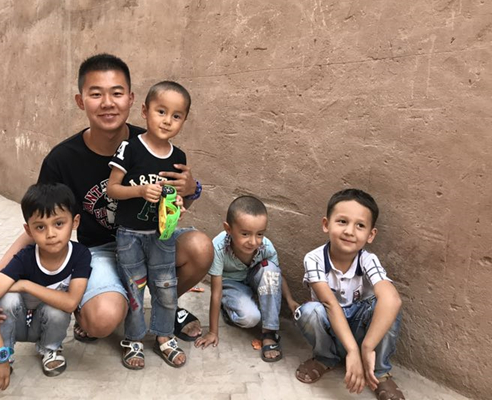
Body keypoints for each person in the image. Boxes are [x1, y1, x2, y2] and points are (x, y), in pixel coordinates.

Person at [0, 54, 212, 347]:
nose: (108, 103)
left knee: (200, 248)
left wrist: (190, 190)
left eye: (117, 93)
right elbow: (39, 224)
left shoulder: (154, 144)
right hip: (98, 251)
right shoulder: (62, 160)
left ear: (132, 99)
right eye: (96, 94)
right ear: (80, 100)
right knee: (103, 319)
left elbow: (174, 209)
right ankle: (91, 307)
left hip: (149, 240)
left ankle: (167, 307)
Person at [0, 183, 91, 399]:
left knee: (59, 307)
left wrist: (25, 285)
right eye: (40, 227)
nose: (51, 234)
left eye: (59, 223)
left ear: (75, 222)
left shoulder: (80, 255)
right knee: (7, 298)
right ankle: (3, 359)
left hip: (45, 324)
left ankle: (49, 349)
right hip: (15, 324)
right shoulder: (25, 257)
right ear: (28, 230)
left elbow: (72, 303)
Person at [106, 81, 191, 369]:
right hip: (129, 235)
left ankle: (165, 336)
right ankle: (134, 339)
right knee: (135, 289)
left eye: (176, 116)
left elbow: (177, 197)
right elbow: (112, 189)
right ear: (144, 111)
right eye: (161, 111)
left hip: (162, 235)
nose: (167, 120)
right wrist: (140, 191)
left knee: (166, 286)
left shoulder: (179, 158)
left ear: (184, 120)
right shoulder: (130, 148)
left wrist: (178, 203)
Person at [294, 189, 405, 400]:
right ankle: (325, 358)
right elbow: (329, 304)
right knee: (309, 311)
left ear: (371, 235)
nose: (350, 231)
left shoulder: (368, 260)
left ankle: (379, 373)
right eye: (342, 221)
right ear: (326, 224)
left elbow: (392, 299)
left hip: (359, 328)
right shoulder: (314, 259)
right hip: (330, 326)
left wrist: (366, 347)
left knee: (386, 306)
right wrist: (353, 352)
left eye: (360, 225)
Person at [194, 195, 300, 362]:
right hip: (231, 284)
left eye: (259, 234)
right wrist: (213, 332)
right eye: (245, 234)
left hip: (253, 279)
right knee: (250, 318)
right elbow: (216, 291)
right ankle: (230, 309)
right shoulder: (219, 247)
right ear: (228, 229)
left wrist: (290, 300)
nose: (253, 241)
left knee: (270, 269)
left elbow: (276, 275)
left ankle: (269, 333)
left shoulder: (266, 246)